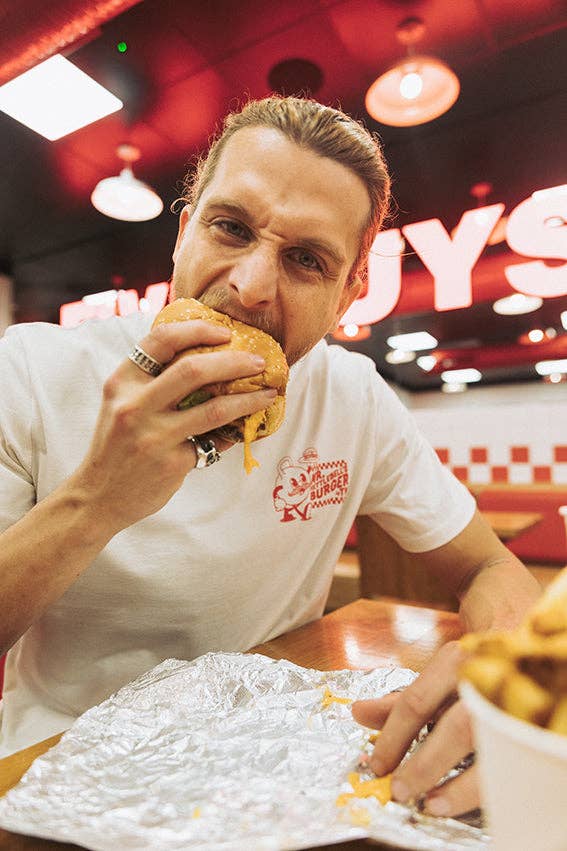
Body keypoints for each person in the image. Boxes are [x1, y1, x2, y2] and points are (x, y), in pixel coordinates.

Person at [0, 96, 539, 816]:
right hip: (50, 771)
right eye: (230, 227)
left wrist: (505, 671)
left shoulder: (352, 398)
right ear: (184, 233)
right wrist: (95, 500)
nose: (250, 286)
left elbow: (489, 566)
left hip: (271, 767)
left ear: (348, 295)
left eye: (306, 260)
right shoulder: (31, 370)